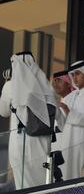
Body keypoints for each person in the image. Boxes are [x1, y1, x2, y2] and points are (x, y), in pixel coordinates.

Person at [0, 52, 58, 189]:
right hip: (42, 141)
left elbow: (3, 112)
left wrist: (6, 84)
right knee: (41, 179)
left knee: (23, 182)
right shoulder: (45, 85)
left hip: (20, 141)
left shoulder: (10, 86)